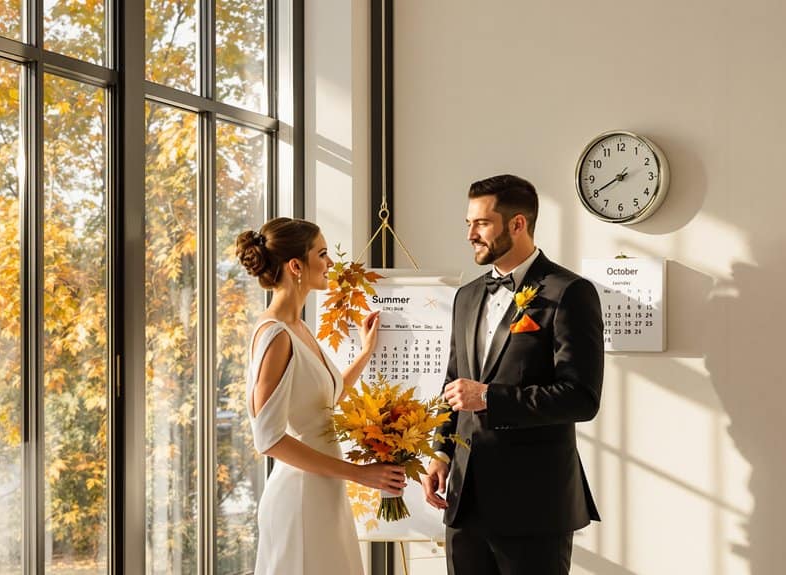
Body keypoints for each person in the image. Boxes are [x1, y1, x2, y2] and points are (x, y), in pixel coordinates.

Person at [419, 174, 604, 575]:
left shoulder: (569, 292)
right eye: (468, 223)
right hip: (464, 503)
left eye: (481, 223)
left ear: (517, 224)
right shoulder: (466, 296)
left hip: (535, 507)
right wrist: (440, 452)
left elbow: (581, 397)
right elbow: (453, 382)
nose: (470, 234)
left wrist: (488, 397)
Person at [236, 217, 407, 575]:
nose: (330, 264)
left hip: (323, 493)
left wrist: (365, 352)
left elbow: (325, 400)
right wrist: (359, 474)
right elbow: (267, 438)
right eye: (323, 254)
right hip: (299, 498)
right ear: (296, 266)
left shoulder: (299, 328)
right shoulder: (275, 335)